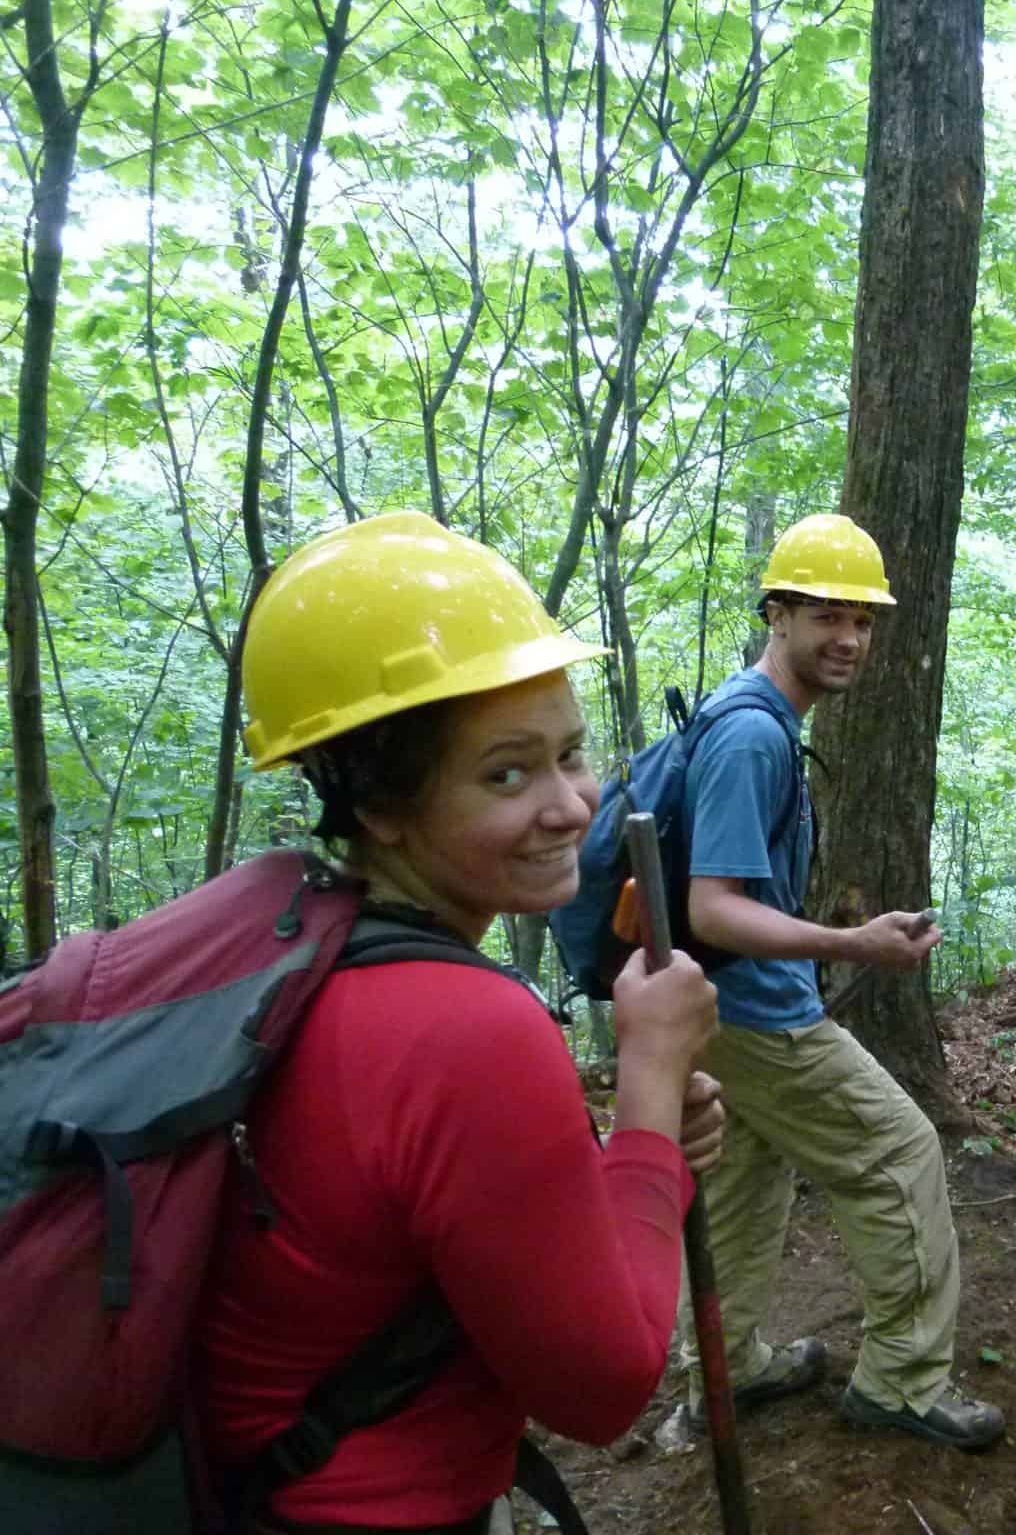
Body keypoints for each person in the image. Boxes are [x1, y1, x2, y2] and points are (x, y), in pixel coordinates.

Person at [199, 512, 726, 1533]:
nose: (574, 804)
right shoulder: (463, 1030)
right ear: (382, 804)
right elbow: (604, 1387)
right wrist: (652, 1086)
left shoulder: (298, 941)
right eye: (507, 772)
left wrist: (640, 1149)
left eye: (573, 754)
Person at [673, 512, 1005, 1451]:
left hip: (716, 1014)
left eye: (863, 618)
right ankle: (901, 1380)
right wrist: (856, 944)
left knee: (745, 1180)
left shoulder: (757, 720)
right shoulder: (753, 739)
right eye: (826, 614)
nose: (849, 637)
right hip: (753, 1013)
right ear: (776, 613)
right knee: (899, 1154)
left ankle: (728, 1369)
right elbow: (712, 907)